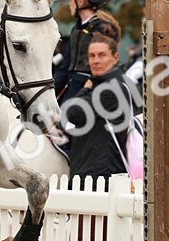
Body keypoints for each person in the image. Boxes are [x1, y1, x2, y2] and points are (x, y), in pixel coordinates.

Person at [59, 35, 141, 188]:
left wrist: (84, 89)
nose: (95, 61)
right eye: (92, 56)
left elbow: (75, 113)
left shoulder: (111, 89)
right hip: (91, 172)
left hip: (99, 177)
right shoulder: (103, 84)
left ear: (115, 58)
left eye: (102, 55)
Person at [54, 0, 122, 105]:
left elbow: (104, 66)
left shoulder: (103, 29)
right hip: (71, 89)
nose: (69, 4)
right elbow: (65, 67)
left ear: (80, 0)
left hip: (92, 93)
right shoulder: (76, 29)